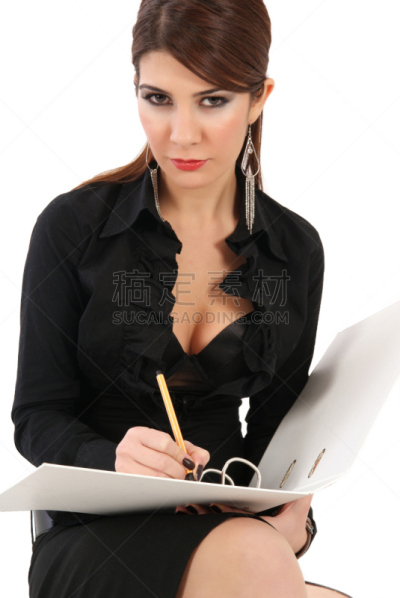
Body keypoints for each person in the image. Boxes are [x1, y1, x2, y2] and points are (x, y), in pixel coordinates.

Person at [11, 1, 331, 596]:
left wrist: (295, 524)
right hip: (92, 534)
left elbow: (279, 430)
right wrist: (111, 458)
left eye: (212, 100)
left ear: (258, 98)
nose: (181, 134)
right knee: (261, 566)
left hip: (231, 529)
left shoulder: (294, 249)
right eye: (158, 98)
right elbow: (35, 417)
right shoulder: (73, 227)